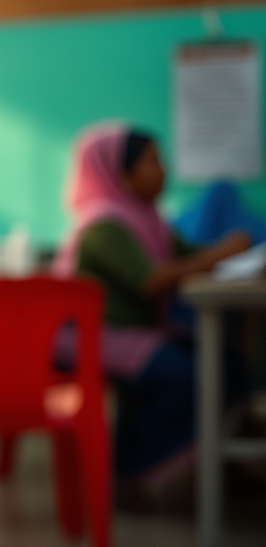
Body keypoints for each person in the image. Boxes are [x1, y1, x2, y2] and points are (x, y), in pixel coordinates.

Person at [54, 123, 252, 503]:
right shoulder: (101, 225)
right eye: (153, 162)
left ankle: (225, 467)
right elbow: (149, 281)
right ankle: (133, 471)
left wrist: (229, 256)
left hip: (134, 333)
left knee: (228, 361)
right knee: (191, 374)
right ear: (120, 172)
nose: (164, 171)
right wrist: (222, 253)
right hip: (92, 337)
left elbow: (190, 257)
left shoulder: (149, 221)